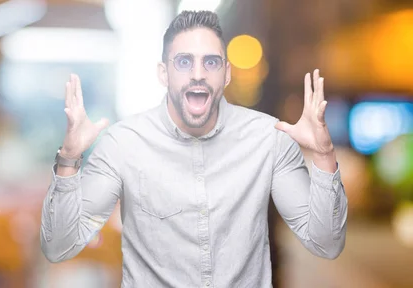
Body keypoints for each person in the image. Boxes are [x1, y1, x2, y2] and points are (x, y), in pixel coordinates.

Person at [40, 10, 348, 288]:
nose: (197, 74)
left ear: (226, 73)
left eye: (210, 62)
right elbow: (59, 247)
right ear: (164, 73)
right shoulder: (124, 144)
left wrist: (324, 157)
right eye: (184, 62)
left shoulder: (270, 139)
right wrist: (68, 160)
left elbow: (326, 244)